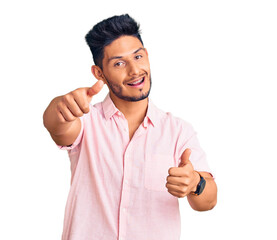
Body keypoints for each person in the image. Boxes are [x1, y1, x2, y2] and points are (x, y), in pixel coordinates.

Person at [43, 14, 217, 240]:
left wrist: (195, 183)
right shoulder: (86, 121)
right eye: (119, 63)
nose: (135, 70)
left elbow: (209, 200)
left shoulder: (178, 131)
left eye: (138, 56)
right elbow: (57, 125)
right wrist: (61, 107)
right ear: (99, 74)